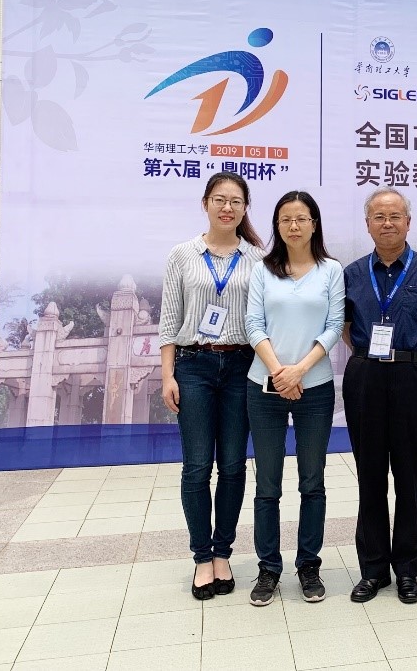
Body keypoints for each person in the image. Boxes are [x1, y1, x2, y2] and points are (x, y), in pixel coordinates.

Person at [159, 171, 264, 600]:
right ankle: (202, 557)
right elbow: (169, 319)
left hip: (242, 366)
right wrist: (168, 375)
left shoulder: (258, 258)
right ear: (205, 203)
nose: (227, 207)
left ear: (245, 208)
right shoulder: (182, 255)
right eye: (220, 199)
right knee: (198, 466)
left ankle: (223, 553)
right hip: (194, 366)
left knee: (234, 466)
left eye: (236, 201)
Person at [342, 187, 417, 604]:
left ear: (408, 222)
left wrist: (416, 360)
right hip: (366, 376)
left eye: (395, 216)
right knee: (369, 475)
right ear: (368, 224)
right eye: (379, 216)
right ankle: (373, 570)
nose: (387, 223)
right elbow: (346, 327)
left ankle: (407, 569)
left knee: (409, 476)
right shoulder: (352, 273)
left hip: (411, 376)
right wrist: (372, 357)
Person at [244, 191, 344, 606]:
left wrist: (300, 370)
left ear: (314, 224)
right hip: (264, 386)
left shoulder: (330, 270)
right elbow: (253, 323)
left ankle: (308, 565)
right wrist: (279, 372)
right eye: (285, 219)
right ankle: (269, 567)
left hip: (314, 387)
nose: (293, 226)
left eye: (301, 218)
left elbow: (335, 324)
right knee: (267, 484)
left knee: (312, 481)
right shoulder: (262, 270)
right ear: (277, 225)